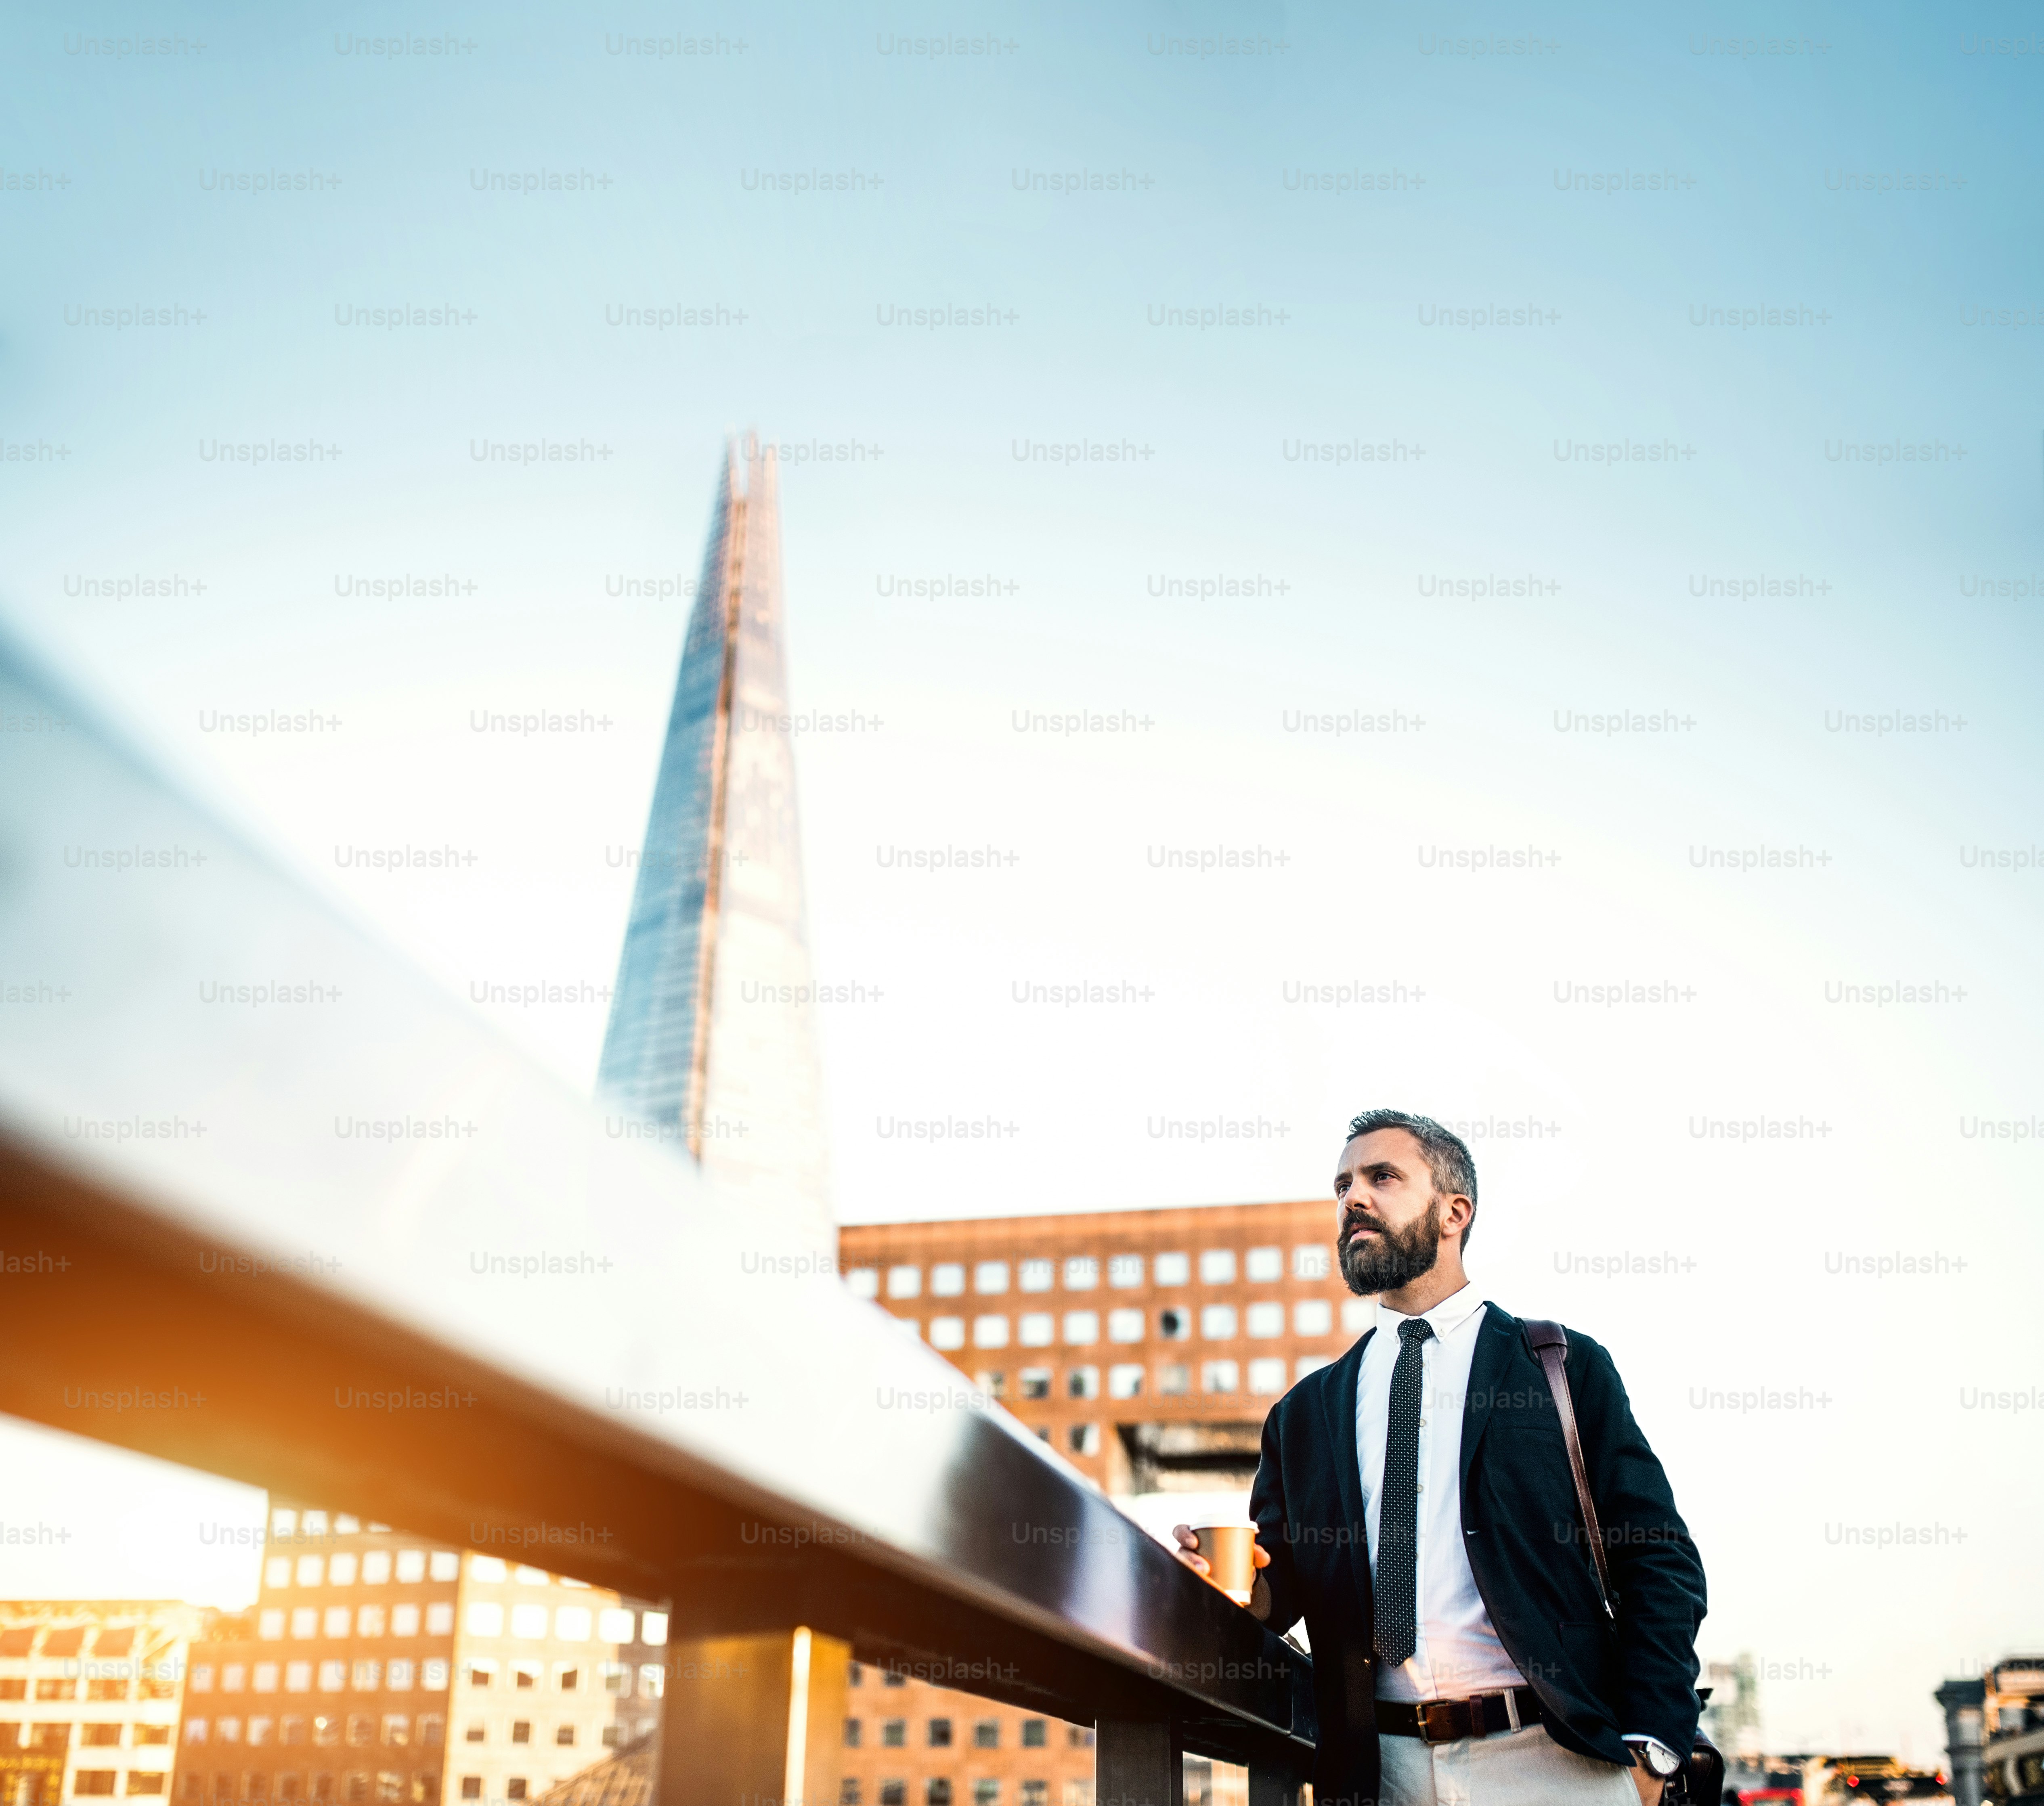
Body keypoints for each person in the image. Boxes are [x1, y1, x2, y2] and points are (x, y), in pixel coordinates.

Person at [1174, 1108, 1706, 1806]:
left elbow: (1658, 1557)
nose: (1352, 1199)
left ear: (1455, 1211)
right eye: (1341, 1185)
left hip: (1556, 1759)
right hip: (1378, 1771)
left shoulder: (1560, 1366)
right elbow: (1281, 1592)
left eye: (1381, 1176)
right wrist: (1224, 1581)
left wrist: (1651, 1746)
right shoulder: (1304, 1414)